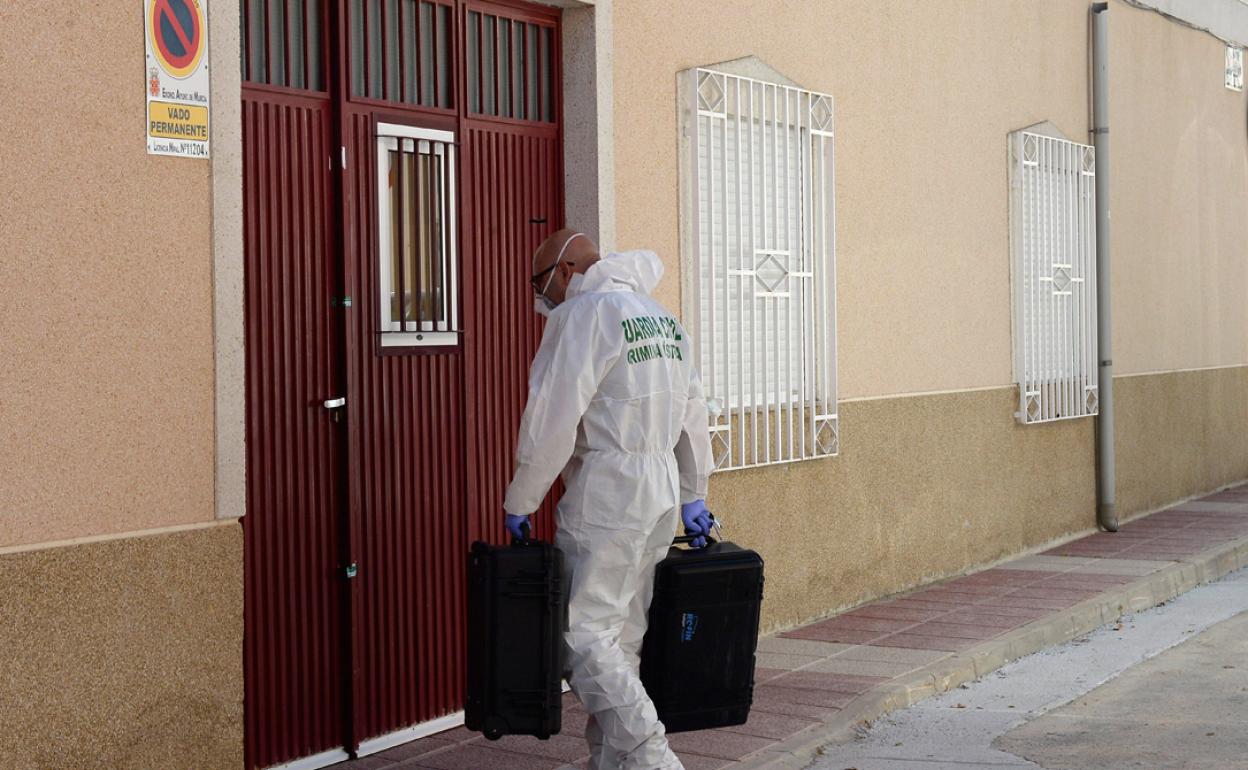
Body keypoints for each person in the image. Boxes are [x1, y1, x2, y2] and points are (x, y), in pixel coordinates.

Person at [503, 229, 715, 770]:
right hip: (659, 485)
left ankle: (652, 757)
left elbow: (552, 416)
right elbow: (693, 413)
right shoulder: (661, 317)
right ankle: (613, 762)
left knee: (582, 637)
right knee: (620, 640)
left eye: (540, 283)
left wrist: (522, 499)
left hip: (609, 490)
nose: (541, 297)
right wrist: (694, 494)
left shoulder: (583, 315)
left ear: (565, 270)